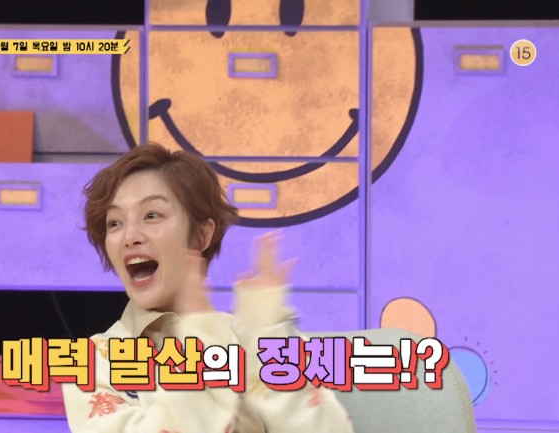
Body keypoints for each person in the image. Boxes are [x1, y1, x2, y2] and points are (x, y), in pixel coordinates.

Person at [62, 143, 354, 433]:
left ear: (201, 235)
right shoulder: (93, 362)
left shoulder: (252, 336)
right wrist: (199, 335)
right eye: (114, 223)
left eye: (151, 215)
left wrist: (269, 336)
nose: (129, 236)